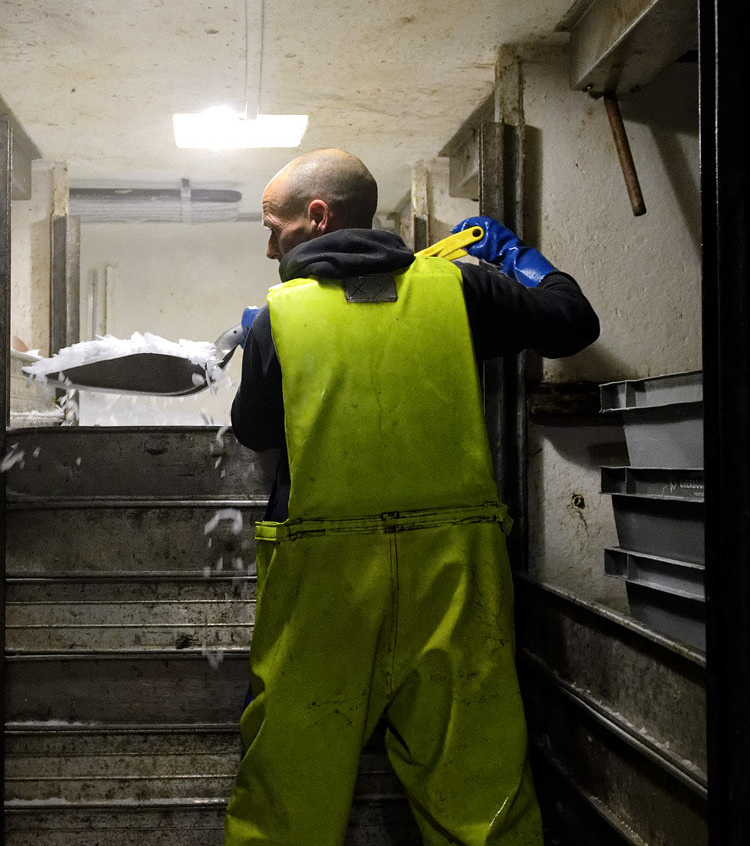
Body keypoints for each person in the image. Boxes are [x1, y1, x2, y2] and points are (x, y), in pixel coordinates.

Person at [224, 148, 599, 846]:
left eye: (274, 229)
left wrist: (266, 350)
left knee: (286, 801)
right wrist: (514, 257)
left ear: (317, 217)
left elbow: (253, 430)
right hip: (455, 577)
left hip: (325, 585)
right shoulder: (459, 289)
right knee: (480, 796)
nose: (270, 247)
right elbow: (571, 320)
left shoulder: (278, 317)